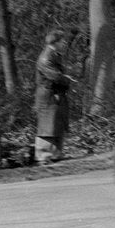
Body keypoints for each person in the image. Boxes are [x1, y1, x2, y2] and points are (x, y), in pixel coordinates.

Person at [33, 29, 73, 165]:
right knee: (47, 126)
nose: (64, 43)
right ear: (55, 42)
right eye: (62, 40)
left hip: (55, 94)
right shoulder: (46, 57)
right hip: (48, 95)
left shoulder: (55, 55)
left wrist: (65, 79)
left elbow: (59, 75)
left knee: (57, 123)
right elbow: (55, 76)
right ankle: (43, 156)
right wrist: (66, 79)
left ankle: (55, 153)